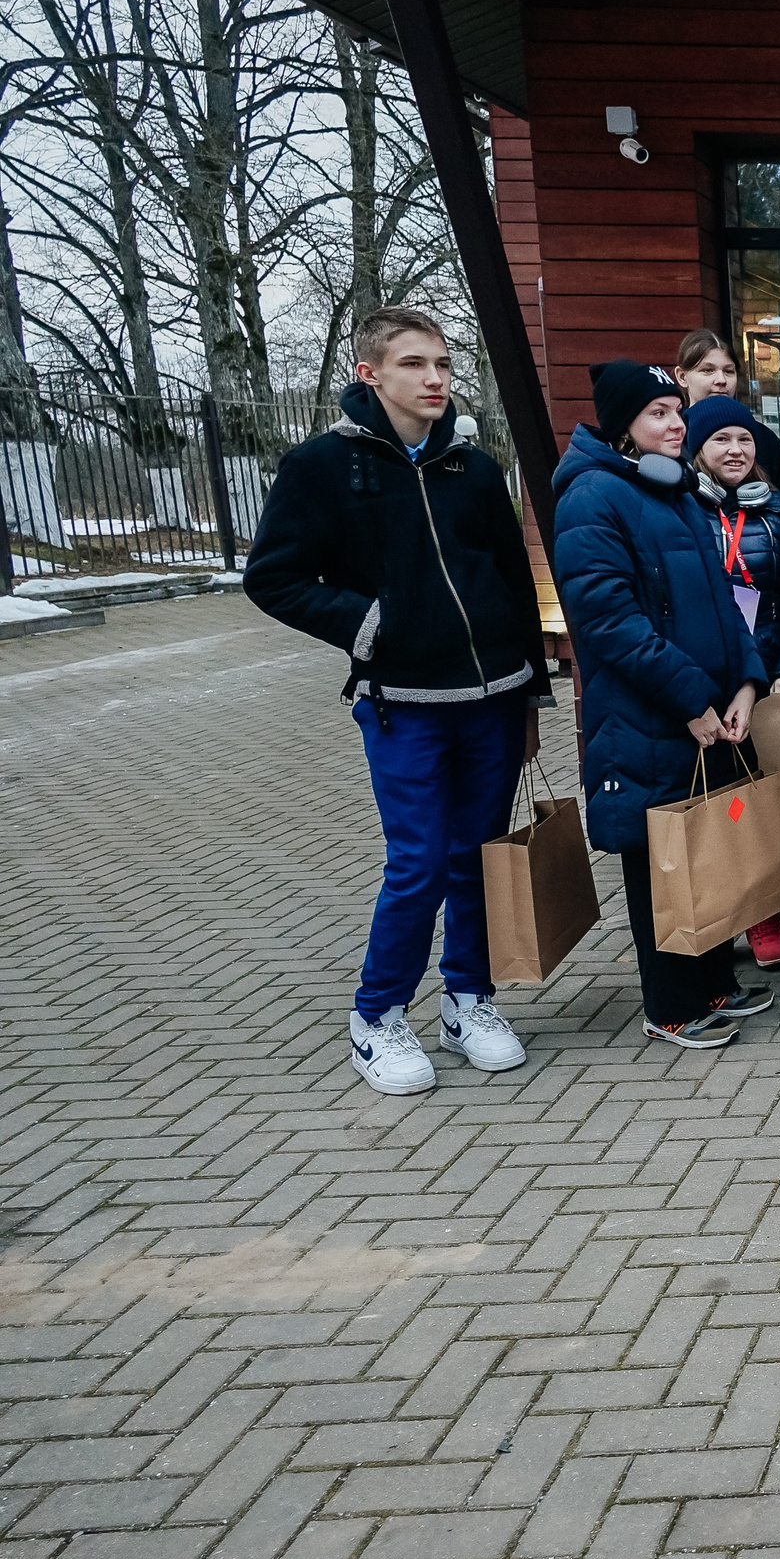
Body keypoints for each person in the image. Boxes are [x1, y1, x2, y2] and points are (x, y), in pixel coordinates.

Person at [245, 305, 546, 1095]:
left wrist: (531, 697)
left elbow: (513, 584)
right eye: (415, 363)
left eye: (443, 362)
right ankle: (376, 1015)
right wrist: (367, 623)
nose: (436, 378)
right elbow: (271, 578)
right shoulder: (320, 467)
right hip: (403, 702)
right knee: (417, 865)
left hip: (493, 697)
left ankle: (467, 999)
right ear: (369, 373)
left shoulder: (475, 469)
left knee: (478, 859)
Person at [552, 361, 771, 1052]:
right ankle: (670, 1004)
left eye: (677, 410)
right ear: (624, 426)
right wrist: (691, 700)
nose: (676, 424)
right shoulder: (593, 498)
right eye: (657, 413)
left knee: (709, 844)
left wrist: (744, 683)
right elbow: (610, 621)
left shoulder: (675, 492)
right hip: (650, 718)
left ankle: (713, 981)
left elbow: (726, 605)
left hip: (709, 712)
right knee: (660, 862)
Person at [683, 394, 780, 972]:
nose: (735, 450)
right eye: (720, 441)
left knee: (759, 802)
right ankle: (712, 918)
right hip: (695, 681)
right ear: (697, 451)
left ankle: (766, 916)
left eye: (744, 440)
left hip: (765, 680)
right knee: (704, 802)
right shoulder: (676, 509)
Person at [673, 328, 739, 406]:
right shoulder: (672, 418)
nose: (721, 380)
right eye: (708, 370)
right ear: (682, 377)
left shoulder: (746, 418)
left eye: (728, 371)